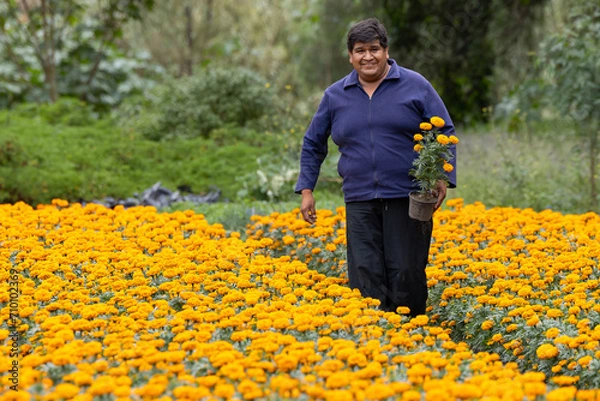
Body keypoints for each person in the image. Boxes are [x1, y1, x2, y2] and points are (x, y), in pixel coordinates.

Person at [295, 17, 456, 317]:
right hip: (359, 197)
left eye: (373, 49)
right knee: (365, 272)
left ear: (385, 51)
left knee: (407, 270)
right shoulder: (336, 95)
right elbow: (313, 142)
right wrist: (306, 190)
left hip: (408, 196)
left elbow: (444, 131)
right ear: (350, 56)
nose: (367, 56)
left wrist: (441, 175)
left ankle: (412, 335)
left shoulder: (414, 85)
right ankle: (376, 339)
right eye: (359, 50)